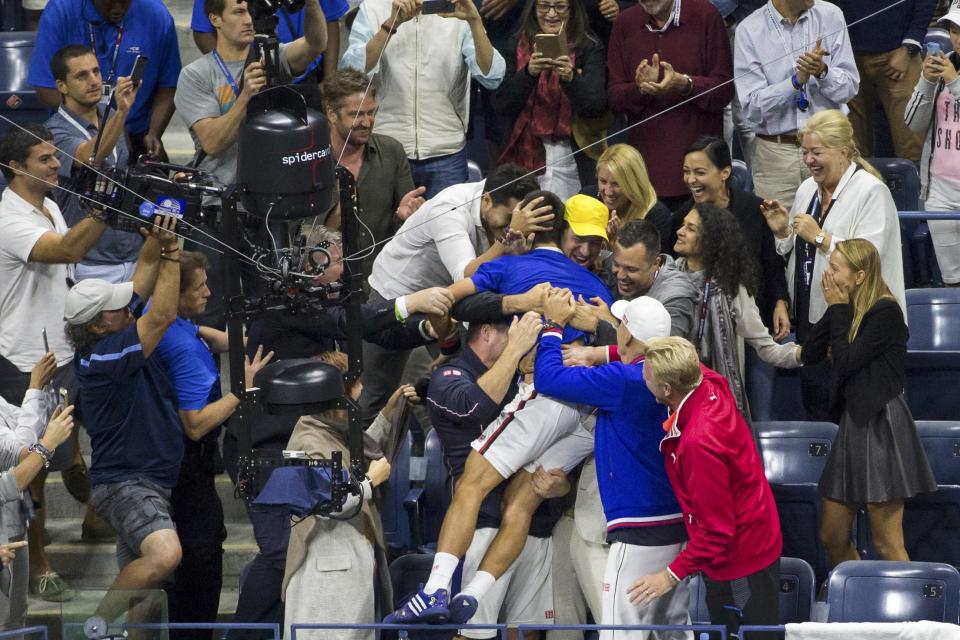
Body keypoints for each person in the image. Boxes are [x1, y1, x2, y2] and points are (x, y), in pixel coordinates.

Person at [385, 311, 588, 634]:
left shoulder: (531, 382)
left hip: (535, 525)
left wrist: (561, 487)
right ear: (489, 331)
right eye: (516, 334)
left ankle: (438, 589)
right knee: (473, 631)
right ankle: (436, 588)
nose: (523, 343)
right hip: (483, 526)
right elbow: (472, 406)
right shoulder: (451, 374)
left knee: (526, 630)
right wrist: (516, 355)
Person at [535, 292, 689, 640]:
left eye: (619, 324)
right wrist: (598, 352)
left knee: (620, 633)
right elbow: (643, 355)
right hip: (676, 522)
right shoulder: (678, 373)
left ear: (629, 335)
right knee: (673, 630)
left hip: (640, 528)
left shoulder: (623, 381)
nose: (615, 328)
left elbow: (548, 378)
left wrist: (552, 325)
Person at [0, 123, 110, 601]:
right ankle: (37, 563)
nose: (56, 165)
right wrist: (107, 211)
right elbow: (66, 251)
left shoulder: (46, 206)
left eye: (53, 156)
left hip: (61, 351)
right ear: (15, 167)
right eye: (45, 159)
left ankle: (85, 493)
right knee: (33, 465)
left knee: (70, 444)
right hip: (25, 361)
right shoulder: (7, 217)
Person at [64, 214, 183, 625]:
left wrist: (157, 236)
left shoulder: (110, 329)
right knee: (165, 554)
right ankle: (93, 627)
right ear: (98, 323)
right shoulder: (106, 357)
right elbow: (163, 314)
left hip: (147, 480)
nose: (129, 305)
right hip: (127, 484)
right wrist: (171, 249)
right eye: (118, 307)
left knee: (146, 597)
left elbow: (144, 274)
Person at [360, 164, 544, 423]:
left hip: (448, 299)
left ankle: (443, 448)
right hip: (396, 294)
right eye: (506, 221)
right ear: (487, 199)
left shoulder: (498, 207)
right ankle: (361, 458)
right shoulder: (450, 209)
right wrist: (507, 241)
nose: (509, 228)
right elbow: (467, 275)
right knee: (377, 393)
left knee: (461, 384)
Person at [153, 250, 273, 640]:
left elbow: (226, 340)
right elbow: (195, 424)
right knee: (201, 557)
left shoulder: (175, 325)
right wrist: (244, 389)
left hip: (179, 465)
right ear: (176, 294)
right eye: (199, 286)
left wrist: (204, 331)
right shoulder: (185, 350)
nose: (209, 292)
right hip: (188, 466)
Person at [633, 336, 783, 640]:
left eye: (646, 372)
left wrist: (670, 574)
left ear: (666, 390)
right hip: (757, 534)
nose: (640, 374)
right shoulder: (708, 383)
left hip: (739, 563)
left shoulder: (698, 444)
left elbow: (717, 532)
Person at [801, 238, 937, 568]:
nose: (828, 274)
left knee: (887, 542)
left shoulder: (886, 312)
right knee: (831, 536)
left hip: (882, 425)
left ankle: (906, 618)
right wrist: (834, 308)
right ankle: (861, 592)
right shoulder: (845, 308)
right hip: (852, 425)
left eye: (835, 268)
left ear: (859, 276)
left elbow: (846, 362)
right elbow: (810, 353)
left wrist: (838, 309)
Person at [760, 109, 904, 419]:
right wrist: (783, 232)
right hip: (814, 321)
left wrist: (821, 238)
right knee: (817, 408)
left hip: (858, 323)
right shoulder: (806, 190)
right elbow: (800, 252)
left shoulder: (871, 192)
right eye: (805, 151)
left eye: (816, 152)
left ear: (844, 152)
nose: (808, 160)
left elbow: (870, 257)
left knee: (851, 413)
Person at [281, 351, 399, 640]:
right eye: (354, 385)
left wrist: (387, 415)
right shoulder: (308, 440)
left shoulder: (329, 430)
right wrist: (371, 482)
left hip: (347, 572)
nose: (360, 391)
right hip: (326, 582)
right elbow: (327, 502)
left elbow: (354, 456)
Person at [340, 0, 506, 197]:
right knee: (382, 227)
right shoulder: (373, 7)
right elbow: (352, 72)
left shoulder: (455, 6)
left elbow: (492, 76)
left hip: (445, 149)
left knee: (445, 226)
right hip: (387, 148)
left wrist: (474, 21)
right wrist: (391, 24)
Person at [175, 0, 329, 194]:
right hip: (221, 196)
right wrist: (246, 96)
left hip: (271, 190)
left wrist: (312, 4)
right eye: (238, 12)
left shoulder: (272, 57)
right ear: (215, 19)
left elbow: (316, 43)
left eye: (251, 13)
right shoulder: (196, 74)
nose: (248, 21)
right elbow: (212, 143)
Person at [674, 203, 801, 422]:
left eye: (691, 228)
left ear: (711, 241)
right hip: (671, 395)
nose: (680, 231)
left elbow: (766, 348)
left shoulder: (731, 289)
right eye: (683, 225)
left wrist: (804, 353)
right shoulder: (668, 276)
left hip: (715, 406)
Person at [607, 0, 733, 208]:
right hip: (646, 177)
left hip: (701, 176)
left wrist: (684, 84)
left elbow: (724, 89)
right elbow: (614, 97)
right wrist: (640, 88)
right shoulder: (625, 22)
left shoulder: (706, 15)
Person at [734, 0, 859, 207]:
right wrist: (794, 82)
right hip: (776, 154)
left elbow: (849, 89)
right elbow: (752, 108)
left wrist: (822, 72)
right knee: (780, 233)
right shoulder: (749, 29)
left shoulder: (831, 15)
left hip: (830, 147)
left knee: (839, 228)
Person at [27, 0, 182, 161]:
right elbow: (45, 87)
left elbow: (168, 84)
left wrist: (154, 132)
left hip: (138, 134)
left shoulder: (156, 13)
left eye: (124, 3)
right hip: (78, 132)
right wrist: (113, 126)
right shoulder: (61, 10)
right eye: (110, 3)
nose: (118, 8)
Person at [45, 44, 143, 284]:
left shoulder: (110, 115)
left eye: (96, 72)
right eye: (82, 75)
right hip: (89, 263)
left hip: (133, 253)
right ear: (62, 86)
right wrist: (121, 113)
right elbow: (92, 158)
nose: (93, 80)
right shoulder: (53, 131)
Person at [493, 0, 608, 200]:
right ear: (533, 10)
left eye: (560, 7)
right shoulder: (514, 44)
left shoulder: (589, 46)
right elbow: (502, 105)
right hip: (524, 152)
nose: (552, 14)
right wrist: (529, 73)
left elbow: (596, 105)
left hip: (573, 153)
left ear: (572, 10)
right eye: (544, 6)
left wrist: (571, 77)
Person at [677, 136, 790, 336]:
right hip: (704, 330)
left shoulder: (756, 209)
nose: (690, 180)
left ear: (725, 172)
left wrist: (780, 303)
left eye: (699, 172)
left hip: (756, 322)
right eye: (687, 172)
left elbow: (772, 264)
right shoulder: (683, 216)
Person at [319, 69, 426, 278]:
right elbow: (298, 238)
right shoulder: (310, 160)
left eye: (370, 112)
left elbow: (406, 230)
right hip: (327, 282)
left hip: (383, 278)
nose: (367, 122)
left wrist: (404, 216)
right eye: (356, 114)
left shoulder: (391, 151)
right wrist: (333, 221)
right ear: (332, 114)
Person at [0, 353, 75, 630]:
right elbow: (20, 454)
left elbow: (26, 429)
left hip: (13, 522)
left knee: (16, 620)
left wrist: (49, 426)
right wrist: (33, 387)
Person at [835, 0, 936, 162]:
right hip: (849, 56)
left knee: (912, 144)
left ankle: (916, 185)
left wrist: (910, 46)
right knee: (852, 149)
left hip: (899, 55)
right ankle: (857, 186)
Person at [904, 6, 960, 286]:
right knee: (952, 280)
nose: (958, 38)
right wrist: (926, 81)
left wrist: (955, 82)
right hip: (941, 191)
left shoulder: (951, 74)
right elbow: (912, 123)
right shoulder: (944, 65)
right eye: (954, 31)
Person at [191, 0, 348, 83]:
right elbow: (203, 30)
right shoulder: (194, 76)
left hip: (302, 71)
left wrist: (329, 80)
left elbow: (327, 25)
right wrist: (234, 76)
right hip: (245, 74)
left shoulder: (282, 56)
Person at [595, 144, 674, 253]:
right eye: (603, 181)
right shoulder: (590, 199)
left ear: (634, 184)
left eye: (617, 184)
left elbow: (650, 264)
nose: (608, 192)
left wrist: (616, 242)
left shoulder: (656, 215)